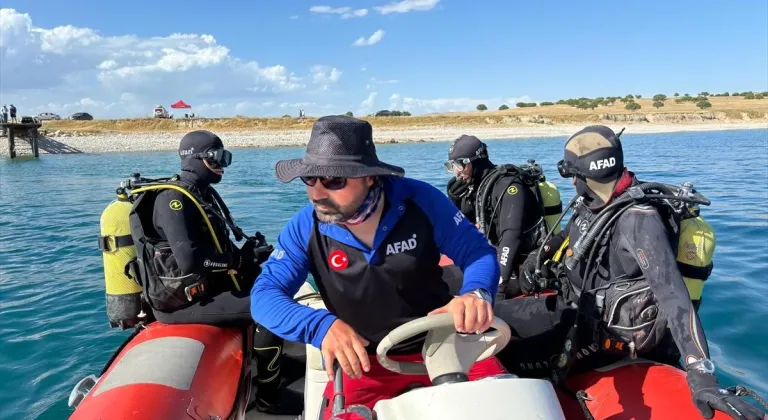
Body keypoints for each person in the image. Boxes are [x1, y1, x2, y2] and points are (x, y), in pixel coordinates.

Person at [493, 125, 765, 420]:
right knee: (492, 315)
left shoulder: (638, 222)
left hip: (601, 338)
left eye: (573, 174)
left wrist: (702, 376)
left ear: (587, 174)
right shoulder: (594, 203)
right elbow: (568, 236)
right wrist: (540, 255)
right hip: (572, 307)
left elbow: (674, 298)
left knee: (500, 355)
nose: (571, 181)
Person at [249, 115, 508, 418]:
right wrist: (320, 326)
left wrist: (476, 293)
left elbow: (477, 252)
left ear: (370, 176)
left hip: (447, 345)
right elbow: (265, 294)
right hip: (360, 362)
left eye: (334, 180)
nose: (317, 193)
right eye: (310, 179)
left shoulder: (422, 201)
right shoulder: (304, 227)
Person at [129, 130, 302, 415]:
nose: (224, 163)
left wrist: (249, 257)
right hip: (183, 303)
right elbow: (191, 262)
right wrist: (237, 260)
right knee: (270, 308)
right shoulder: (174, 200)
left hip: (209, 288)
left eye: (227, 156)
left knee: (274, 286)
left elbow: (215, 245)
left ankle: (275, 362)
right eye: (218, 157)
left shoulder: (202, 194)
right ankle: (270, 398)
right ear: (196, 158)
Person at [444, 135, 562, 299]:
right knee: (434, 279)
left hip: (519, 268)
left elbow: (511, 238)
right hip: (492, 258)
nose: (456, 172)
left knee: (445, 287)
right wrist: (455, 200)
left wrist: (497, 288)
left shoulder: (510, 187)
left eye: (460, 165)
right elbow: (461, 230)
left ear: (477, 160)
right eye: (452, 165)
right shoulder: (477, 188)